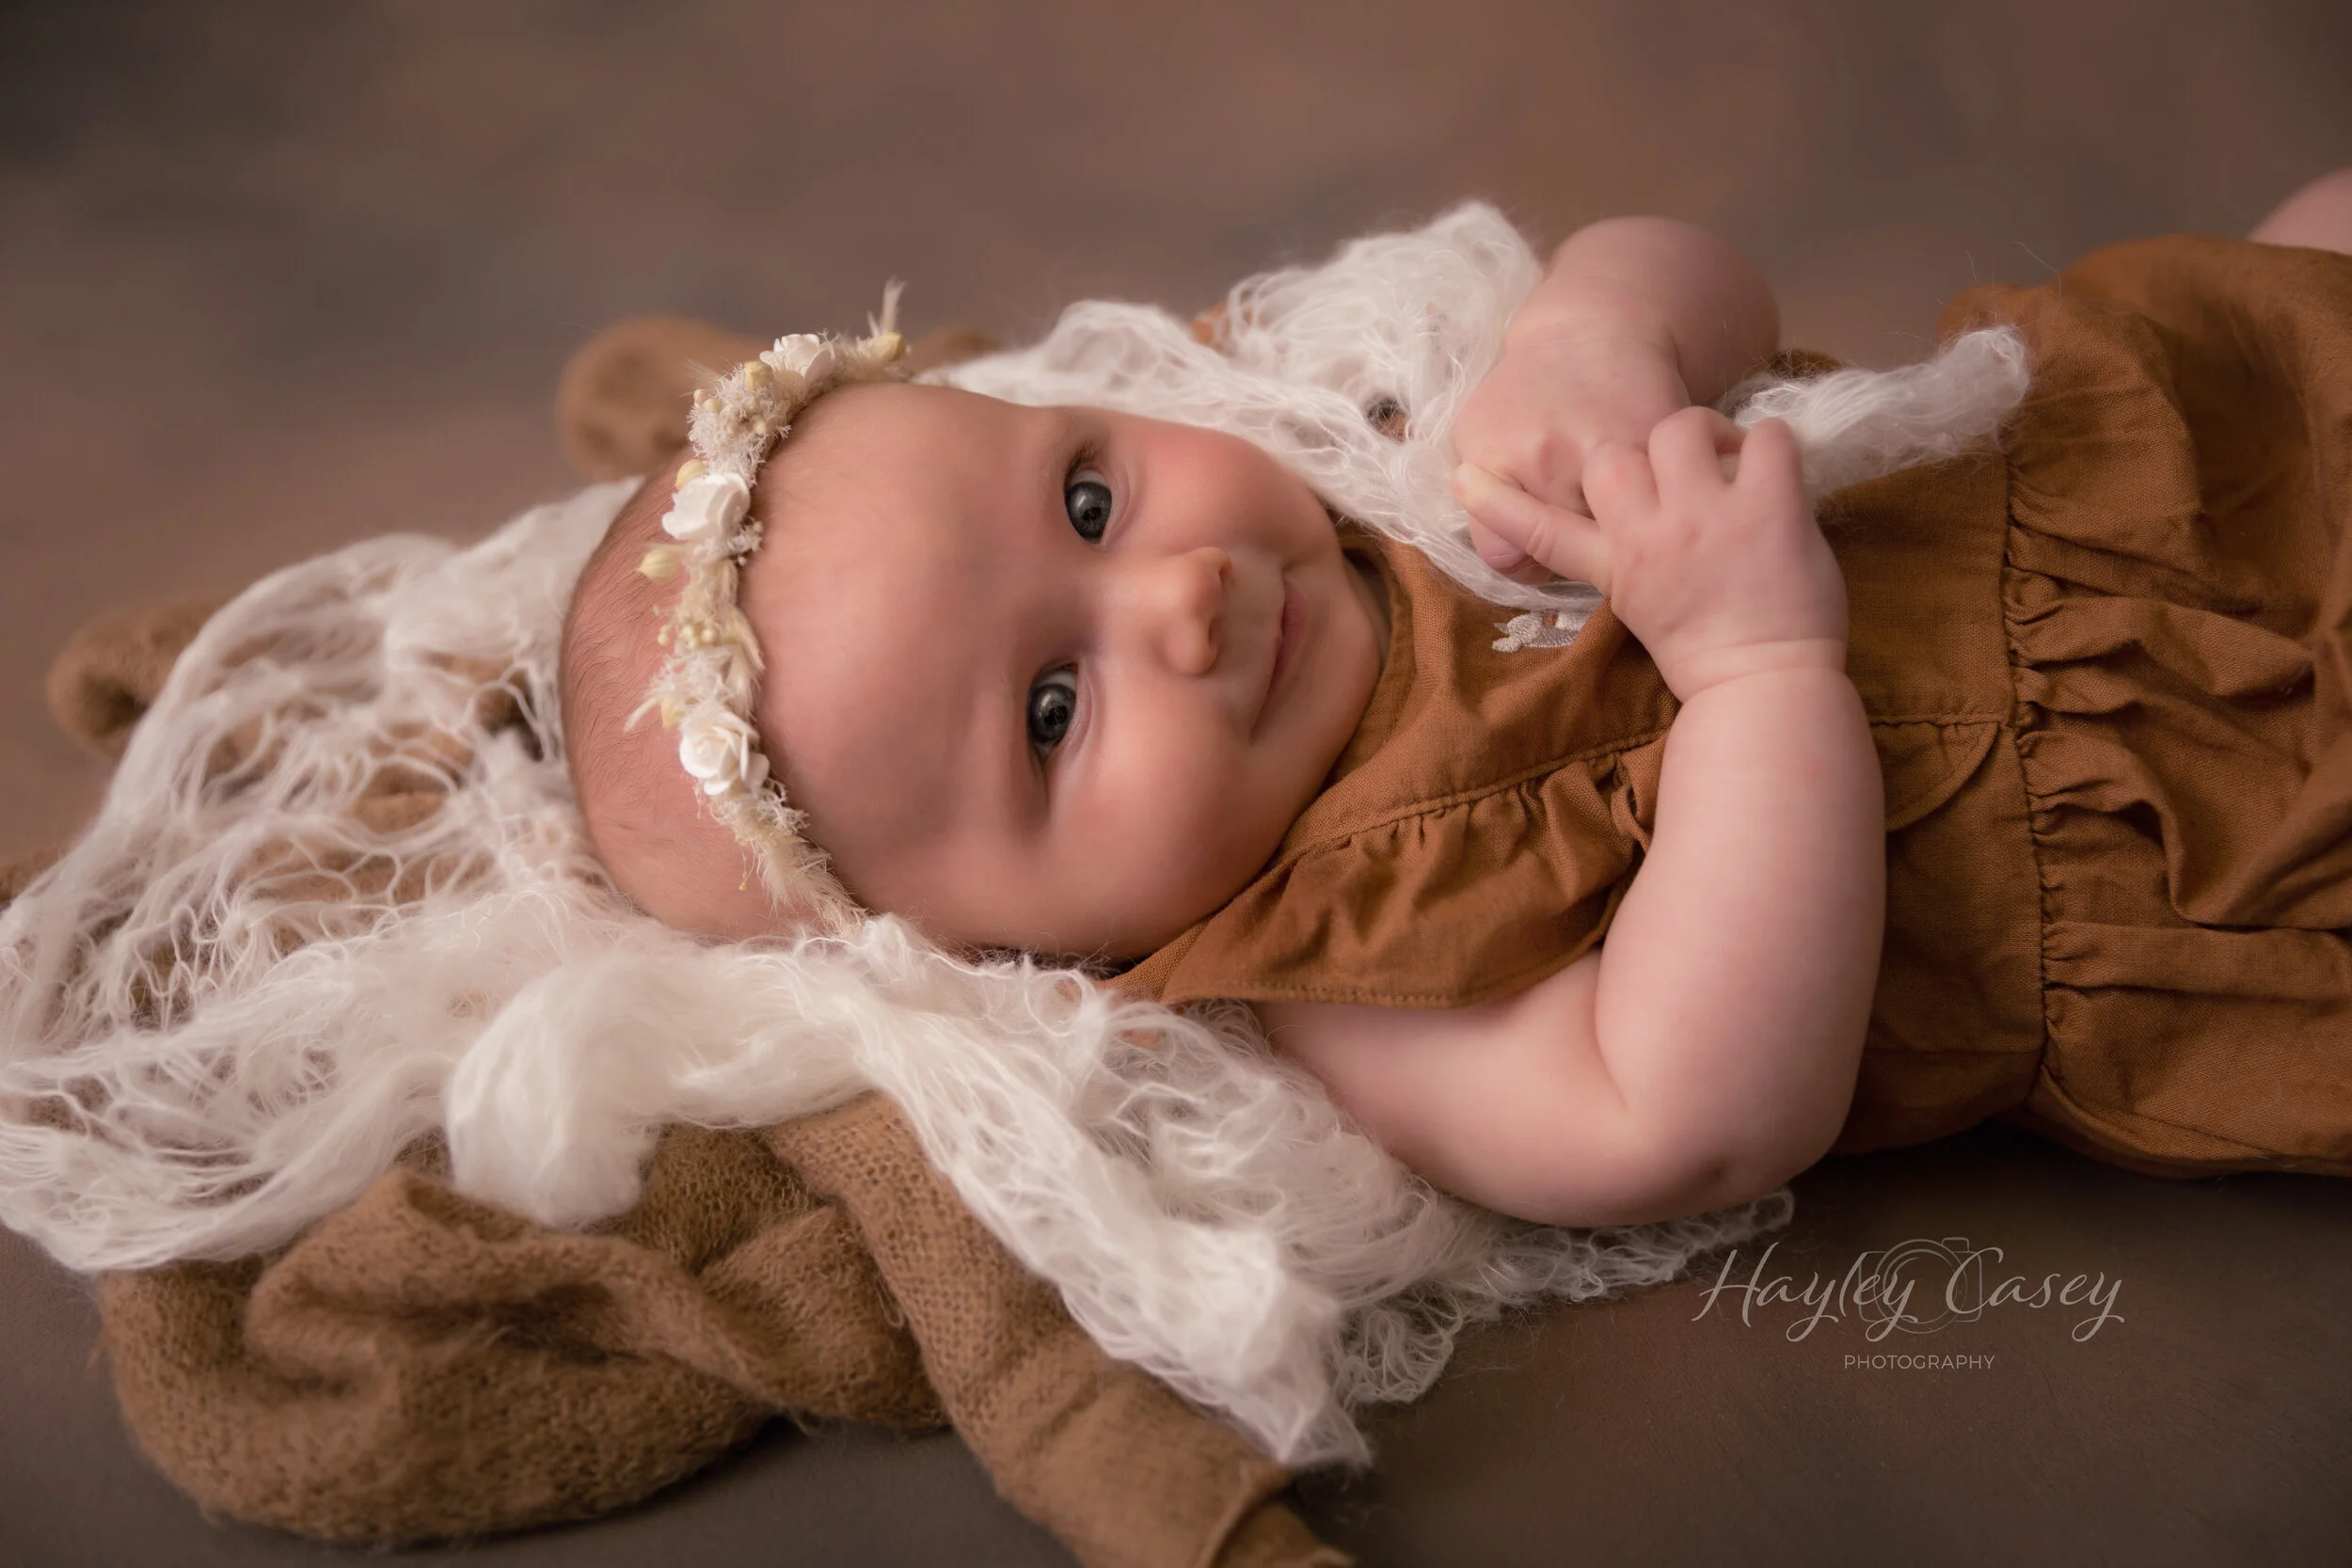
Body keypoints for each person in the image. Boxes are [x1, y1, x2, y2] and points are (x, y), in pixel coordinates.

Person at [560, 167, 2352, 1233]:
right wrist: (1756, 673)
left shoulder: (1368, 432)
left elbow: (1699, 268)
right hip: (2199, 812)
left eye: (1089, 500)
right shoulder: (1347, 969)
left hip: (2144, 450)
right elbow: (1690, 1112)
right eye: (1051, 711)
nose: (1175, 597)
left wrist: (1598, 335)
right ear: (1018, 957)